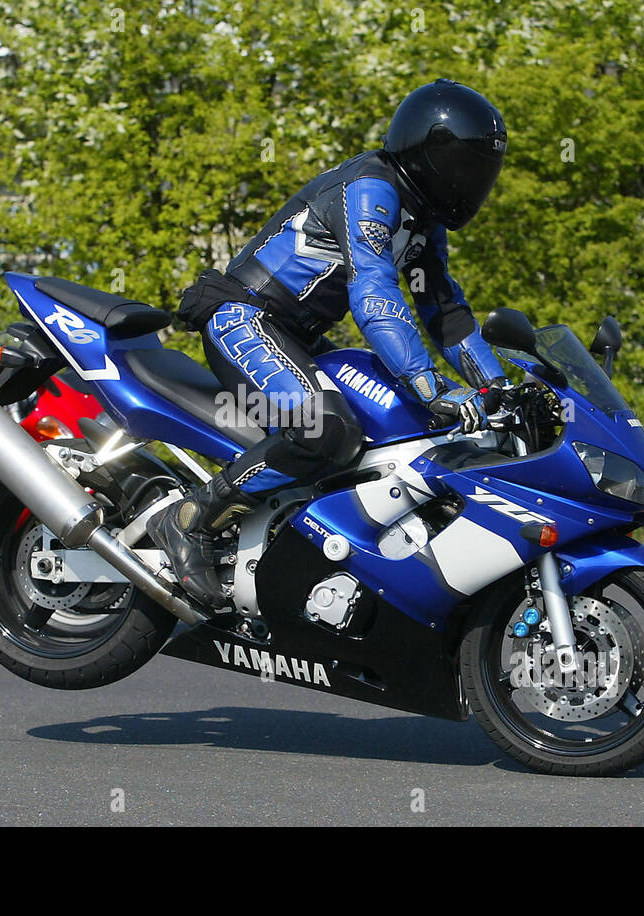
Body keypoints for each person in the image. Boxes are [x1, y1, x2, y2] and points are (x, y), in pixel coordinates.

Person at [150, 78, 511, 606]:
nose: (470, 182)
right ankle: (190, 519)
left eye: (480, 172)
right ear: (428, 154)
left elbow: (447, 313)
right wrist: (429, 384)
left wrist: (498, 388)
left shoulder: (424, 221)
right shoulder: (372, 186)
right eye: (463, 167)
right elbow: (373, 289)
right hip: (245, 318)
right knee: (327, 433)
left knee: (393, 427)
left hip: (294, 337)